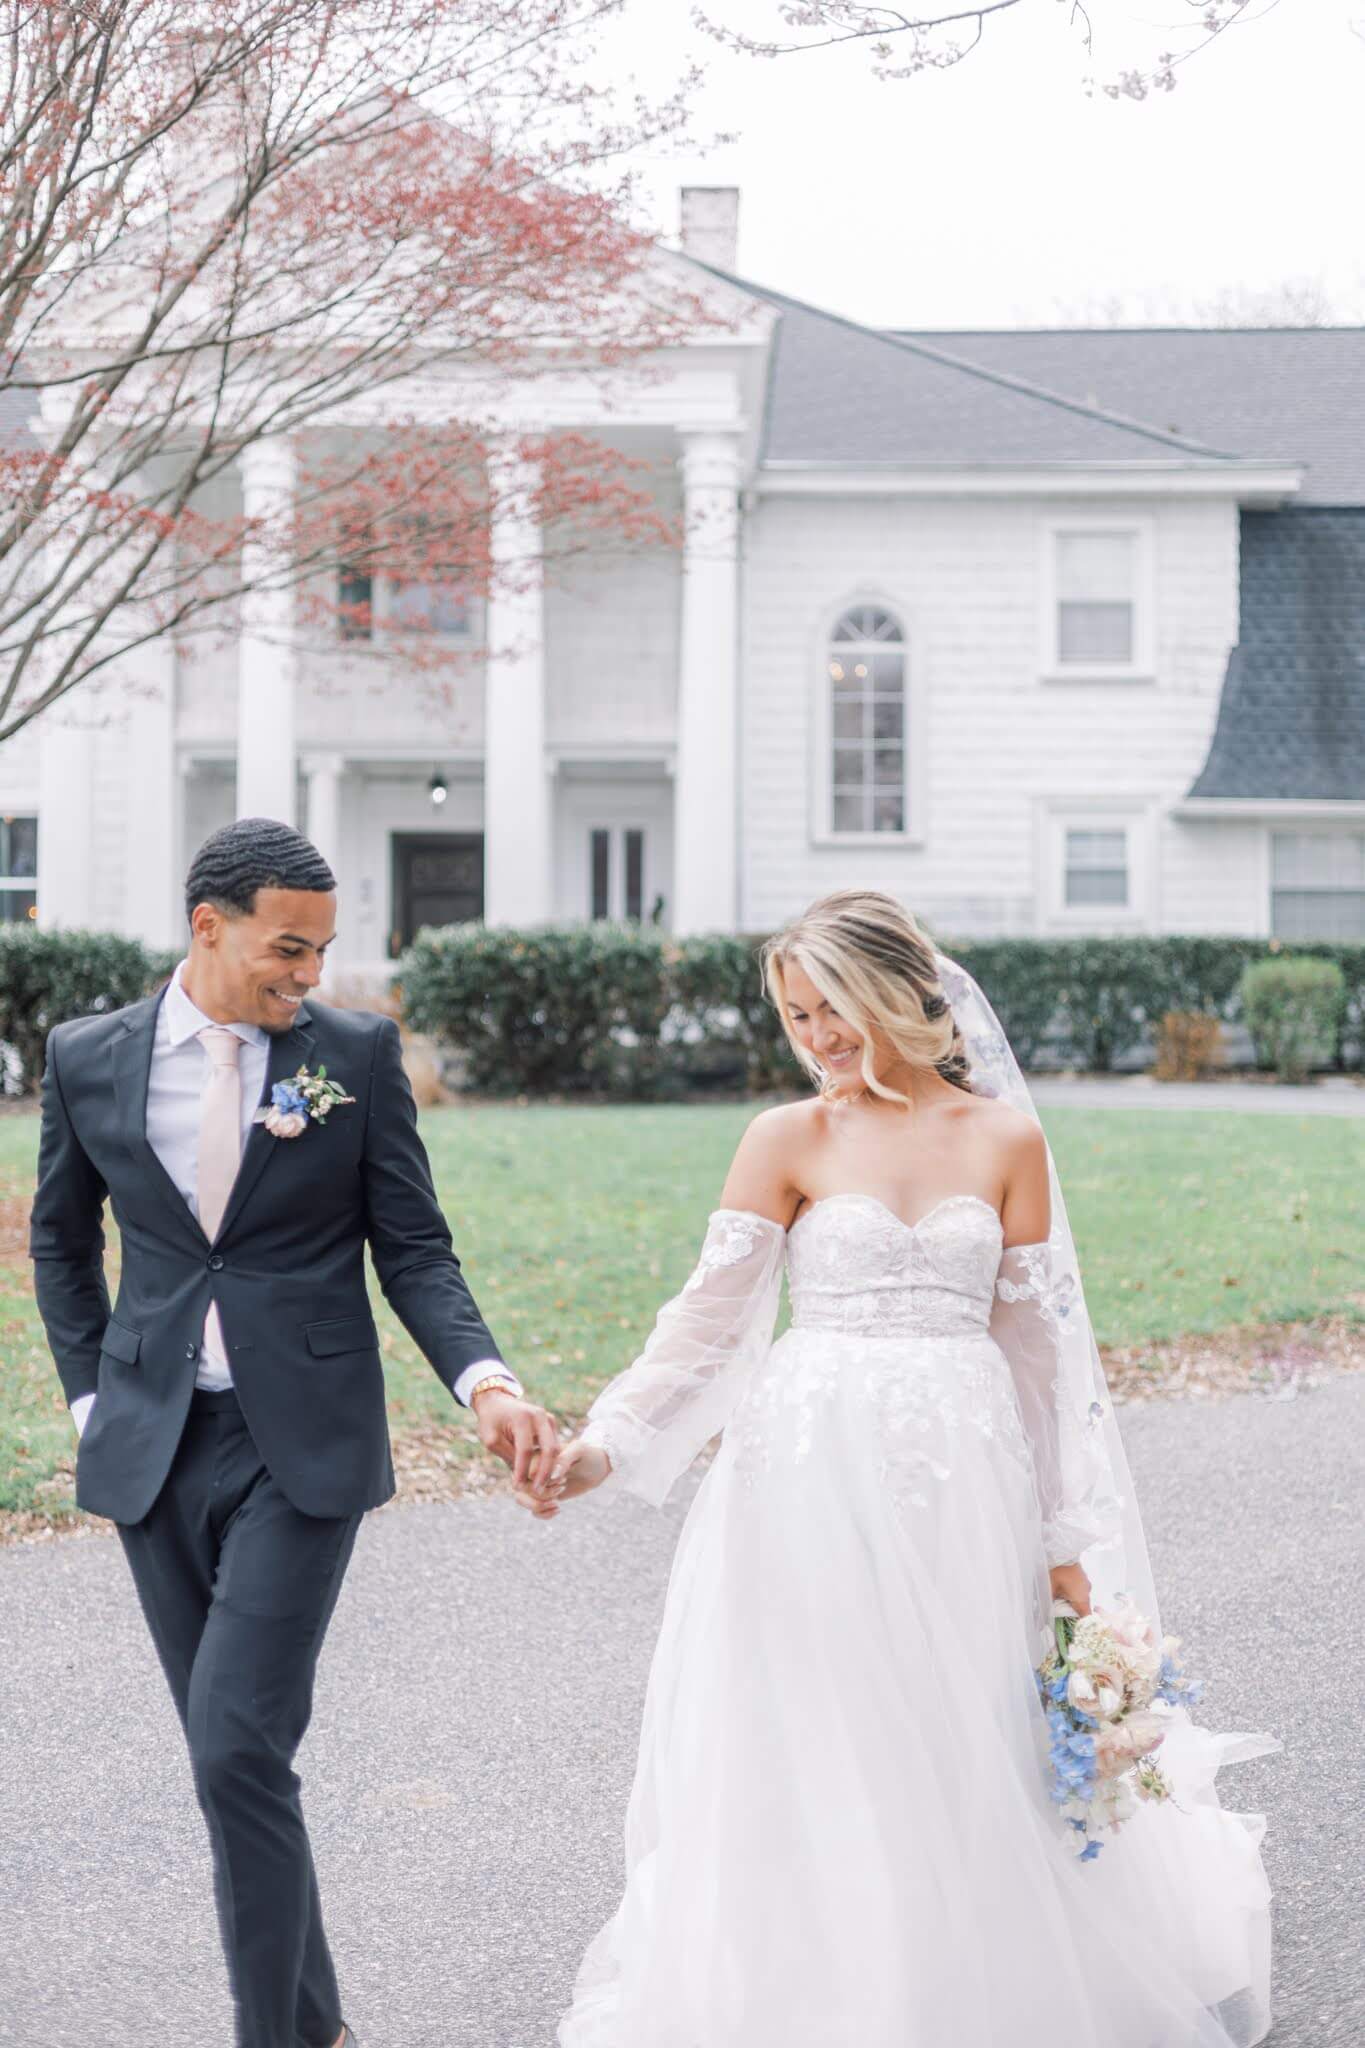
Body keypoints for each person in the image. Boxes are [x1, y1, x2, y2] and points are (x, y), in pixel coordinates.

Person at [526, 889, 1276, 2048]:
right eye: (795, 1014)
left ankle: (963, 1979)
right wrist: (604, 1442)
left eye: (833, 1008)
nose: (816, 1036)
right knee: (821, 1714)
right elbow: (707, 1322)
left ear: (898, 994)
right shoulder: (788, 1136)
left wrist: (1064, 1540)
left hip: (967, 1476)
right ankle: (822, 1982)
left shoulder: (1004, 1137)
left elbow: (1038, 1356)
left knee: (960, 1715)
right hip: (808, 1473)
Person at [29, 817, 560, 2048]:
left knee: (233, 1745)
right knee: (239, 1766)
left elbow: (415, 1249)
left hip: (301, 1448)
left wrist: (485, 1381)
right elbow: (61, 1238)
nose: (309, 974)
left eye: (321, 950)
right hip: (151, 1449)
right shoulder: (88, 1055)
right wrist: (92, 1397)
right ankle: (317, 2028)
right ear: (207, 925)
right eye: (288, 948)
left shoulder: (356, 1057)